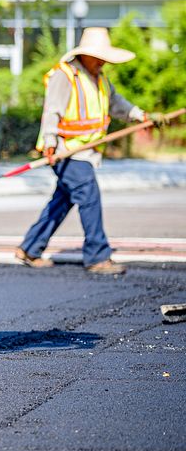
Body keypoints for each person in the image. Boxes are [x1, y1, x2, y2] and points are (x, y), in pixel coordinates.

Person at [15, 27, 169, 275]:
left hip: (85, 152)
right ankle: (97, 256)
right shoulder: (65, 76)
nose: (101, 61)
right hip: (67, 151)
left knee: (62, 202)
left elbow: (117, 104)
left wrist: (143, 116)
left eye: (104, 57)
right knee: (89, 195)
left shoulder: (101, 79)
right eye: (98, 56)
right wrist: (51, 142)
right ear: (83, 54)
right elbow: (52, 110)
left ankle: (30, 248)